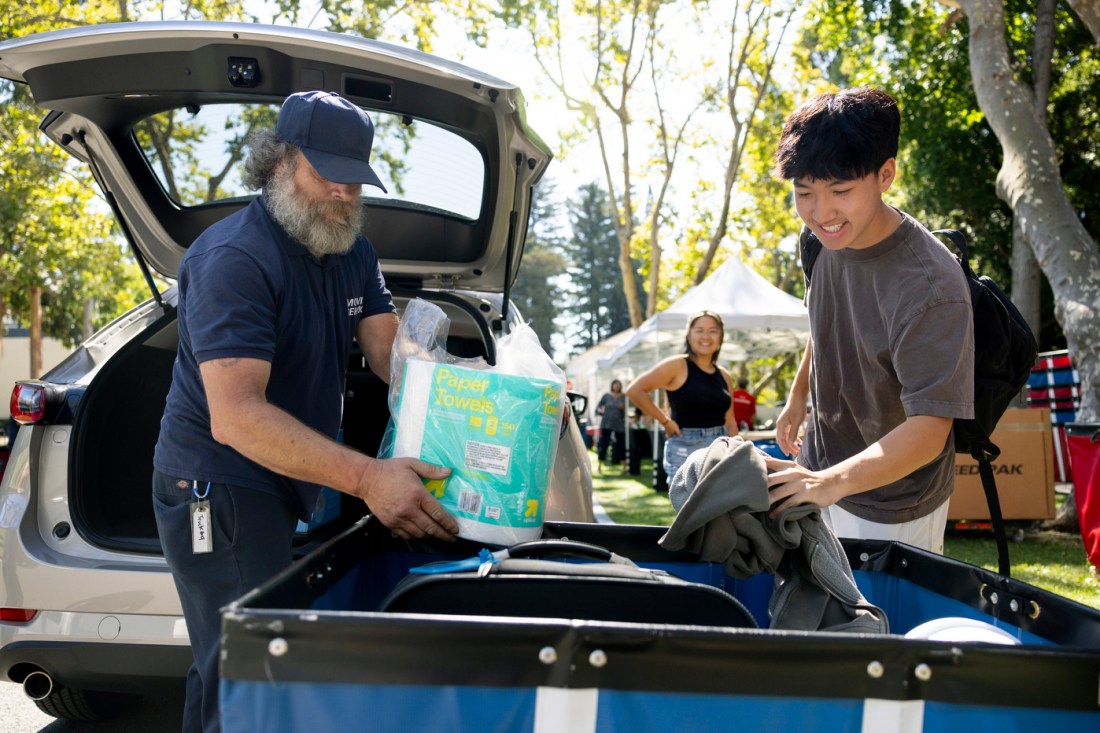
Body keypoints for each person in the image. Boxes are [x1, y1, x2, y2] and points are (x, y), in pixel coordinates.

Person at [151, 91, 460, 733]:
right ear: (280, 163)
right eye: (327, 173)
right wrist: (370, 478)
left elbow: (392, 356)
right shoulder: (233, 258)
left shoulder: (352, 250)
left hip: (288, 479)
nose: (344, 193)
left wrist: (489, 397)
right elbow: (236, 418)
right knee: (249, 667)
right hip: (217, 483)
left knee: (225, 661)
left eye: (355, 178)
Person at [766, 87, 974, 555]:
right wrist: (798, 397)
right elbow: (826, 321)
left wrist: (828, 482)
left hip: (894, 502)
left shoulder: (931, 287)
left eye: (840, 191)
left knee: (877, 627)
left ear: (886, 175)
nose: (821, 213)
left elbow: (928, 430)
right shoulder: (819, 241)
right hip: (817, 473)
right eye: (804, 193)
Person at [626, 310, 739, 483]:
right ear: (689, 335)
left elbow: (730, 421)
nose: (706, 336)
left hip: (720, 448)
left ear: (721, 336)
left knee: (720, 509)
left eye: (713, 331)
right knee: (690, 508)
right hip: (685, 448)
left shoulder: (724, 375)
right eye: (699, 330)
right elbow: (635, 390)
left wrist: (737, 452)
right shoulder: (677, 365)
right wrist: (665, 421)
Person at [595, 379, 627, 471]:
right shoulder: (606, 396)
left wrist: (623, 408)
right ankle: (600, 465)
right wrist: (600, 411)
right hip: (606, 423)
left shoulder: (623, 396)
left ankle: (624, 466)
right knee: (604, 444)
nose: (617, 386)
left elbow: (626, 410)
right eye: (615, 385)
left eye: (618, 385)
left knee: (621, 444)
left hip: (619, 424)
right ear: (612, 385)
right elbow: (598, 407)